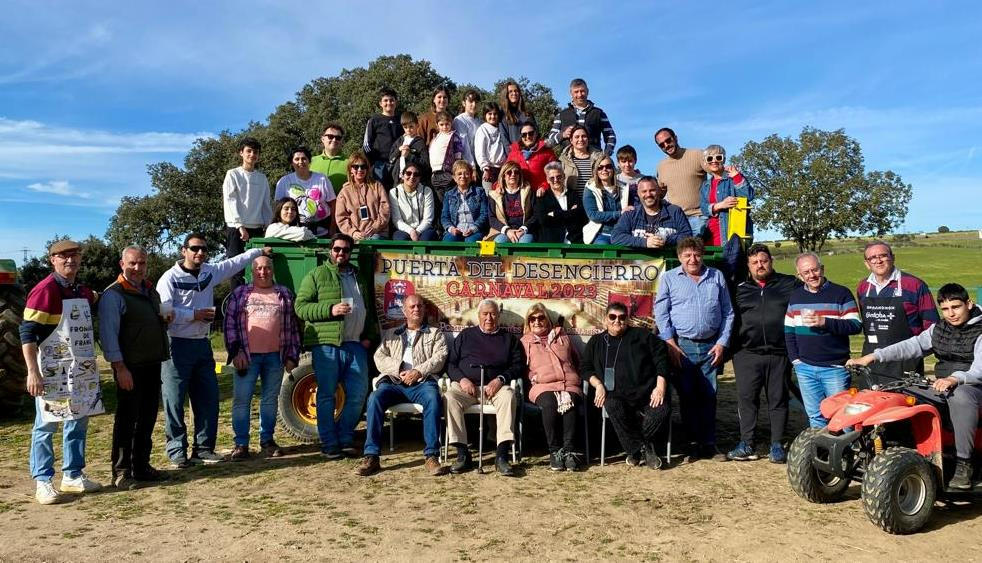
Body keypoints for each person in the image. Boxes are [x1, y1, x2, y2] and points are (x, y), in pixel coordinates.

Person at [848, 284, 982, 489]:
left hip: (972, 385)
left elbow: (978, 370)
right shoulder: (939, 328)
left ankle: (964, 463)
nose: (951, 314)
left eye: (956, 307)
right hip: (943, 383)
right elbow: (913, 345)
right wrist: (873, 357)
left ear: (969, 304)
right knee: (903, 391)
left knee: (961, 397)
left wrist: (955, 378)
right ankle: (903, 448)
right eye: (945, 309)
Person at [157, 234, 270, 468]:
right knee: (175, 401)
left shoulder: (210, 272)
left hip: (203, 344)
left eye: (203, 249)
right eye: (194, 248)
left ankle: (204, 449)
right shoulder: (169, 278)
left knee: (208, 398)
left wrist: (258, 251)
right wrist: (193, 315)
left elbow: (234, 263)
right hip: (176, 344)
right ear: (183, 251)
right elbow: (164, 311)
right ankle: (177, 451)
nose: (199, 253)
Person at [21, 240, 102, 504]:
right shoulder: (44, 291)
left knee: (78, 420)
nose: (70, 260)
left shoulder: (81, 290)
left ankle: (73, 475)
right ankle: (43, 481)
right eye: (64, 256)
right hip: (51, 370)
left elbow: (97, 297)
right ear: (52, 260)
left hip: (79, 369)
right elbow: (28, 333)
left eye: (75, 256)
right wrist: (32, 372)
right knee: (46, 425)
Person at [295, 233, 378, 459]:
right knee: (326, 396)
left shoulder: (358, 276)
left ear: (351, 253)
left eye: (346, 250)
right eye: (337, 249)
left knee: (358, 394)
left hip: (355, 345)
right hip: (327, 344)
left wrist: (369, 336)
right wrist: (330, 309)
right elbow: (300, 307)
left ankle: (345, 438)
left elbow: (368, 309)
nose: (341, 253)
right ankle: (329, 443)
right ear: (330, 251)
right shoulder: (317, 274)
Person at [655, 237, 734, 461]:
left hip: (711, 346)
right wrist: (670, 343)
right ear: (680, 257)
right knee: (687, 396)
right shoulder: (670, 278)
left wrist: (722, 342)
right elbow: (661, 313)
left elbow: (728, 312)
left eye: (697, 254)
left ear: (703, 255)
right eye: (687, 255)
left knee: (709, 395)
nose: (693, 259)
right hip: (683, 347)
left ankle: (709, 443)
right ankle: (692, 445)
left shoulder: (716, 276)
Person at [98, 245, 171, 490]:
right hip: (129, 367)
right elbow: (109, 336)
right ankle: (121, 472)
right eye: (133, 264)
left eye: (142, 264)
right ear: (122, 264)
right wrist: (120, 369)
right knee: (127, 420)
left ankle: (141, 467)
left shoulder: (150, 290)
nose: (138, 268)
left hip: (152, 363)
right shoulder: (114, 295)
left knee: (147, 418)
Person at [357, 295, 449, 476]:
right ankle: (371, 456)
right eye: (412, 306)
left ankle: (431, 456)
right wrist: (398, 369)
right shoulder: (392, 334)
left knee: (433, 398)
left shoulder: (435, 333)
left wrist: (418, 371)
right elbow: (379, 357)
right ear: (404, 311)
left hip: (421, 383)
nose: (416, 309)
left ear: (424, 310)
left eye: (420, 306)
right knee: (374, 398)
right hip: (394, 383)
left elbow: (440, 357)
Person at [224, 255, 300, 461]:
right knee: (242, 400)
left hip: (275, 356)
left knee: (269, 400)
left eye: (267, 268)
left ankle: (267, 440)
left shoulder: (284, 294)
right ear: (252, 271)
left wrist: (292, 355)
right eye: (258, 268)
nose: (263, 272)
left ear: (272, 270)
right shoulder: (241, 294)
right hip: (247, 356)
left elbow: (293, 328)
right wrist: (235, 352)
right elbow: (230, 326)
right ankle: (241, 444)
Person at [728, 244, 799, 463]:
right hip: (747, 353)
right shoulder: (738, 288)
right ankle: (747, 443)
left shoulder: (789, 284)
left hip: (779, 353)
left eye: (764, 260)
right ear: (748, 266)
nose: (760, 265)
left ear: (771, 261)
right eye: (755, 262)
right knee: (747, 399)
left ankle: (776, 444)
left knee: (777, 400)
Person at [582, 302, 671, 469]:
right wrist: (598, 384)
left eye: (622, 317)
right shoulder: (596, 342)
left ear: (627, 319)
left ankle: (635, 451)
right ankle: (645, 449)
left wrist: (660, 385)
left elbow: (662, 358)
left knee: (662, 410)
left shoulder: (642, 336)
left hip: (646, 394)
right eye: (613, 317)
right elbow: (585, 368)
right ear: (605, 320)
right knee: (612, 405)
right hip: (616, 396)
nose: (617, 321)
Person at [445, 299, 525, 476]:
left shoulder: (509, 339)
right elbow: (450, 364)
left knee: (509, 397)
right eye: (485, 314)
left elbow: (518, 366)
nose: (489, 318)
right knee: (450, 397)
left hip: (495, 388)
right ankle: (463, 454)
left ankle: (502, 456)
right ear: (478, 316)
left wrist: (501, 379)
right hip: (468, 388)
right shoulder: (466, 336)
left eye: (493, 314)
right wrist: (463, 380)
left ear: (499, 315)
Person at [785, 252, 862, 428]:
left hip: (834, 368)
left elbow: (855, 325)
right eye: (806, 272)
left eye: (815, 270)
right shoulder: (796, 296)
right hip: (805, 368)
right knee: (815, 417)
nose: (811, 275)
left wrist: (824, 322)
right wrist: (795, 360)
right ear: (800, 276)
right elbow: (789, 330)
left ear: (823, 269)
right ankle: (821, 453)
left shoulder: (841, 293)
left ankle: (846, 454)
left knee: (842, 418)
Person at [855, 241, 939, 386]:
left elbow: (932, 327)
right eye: (872, 258)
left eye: (883, 255)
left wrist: (916, 356)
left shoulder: (914, 285)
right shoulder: (863, 287)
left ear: (893, 258)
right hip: (871, 358)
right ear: (867, 263)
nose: (878, 260)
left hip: (905, 361)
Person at [520, 303, 585, 471]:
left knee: (569, 402)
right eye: (532, 319)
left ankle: (570, 451)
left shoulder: (562, 336)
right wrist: (533, 377)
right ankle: (555, 451)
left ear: (547, 319)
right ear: (528, 322)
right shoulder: (524, 342)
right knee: (549, 403)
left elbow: (577, 360)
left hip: (568, 383)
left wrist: (575, 376)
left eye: (540, 317)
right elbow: (521, 367)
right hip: (542, 385)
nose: (537, 321)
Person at [223, 136, 273, 288]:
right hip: (237, 229)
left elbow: (266, 204)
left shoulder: (262, 178)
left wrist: (268, 227)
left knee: (259, 267)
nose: (252, 155)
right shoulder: (233, 174)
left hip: (257, 228)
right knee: (236, 269)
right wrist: (239, 226)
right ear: (241, 153)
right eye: (249, 151)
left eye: (255, 152)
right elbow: (230, 200)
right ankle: (236, 305)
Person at [611, 176, 691, 248]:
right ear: (638, 194)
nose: (648, 194)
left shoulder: (675, 211)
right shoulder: (630, 214)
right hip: (639, 263)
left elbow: (688, 236)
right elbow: (616, 237)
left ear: (659, 191)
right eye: (644, 191)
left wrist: (665, 239)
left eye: (652, 190)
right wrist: (645, 242)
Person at [275, 146, 337, 238]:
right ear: (292, 163)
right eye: (297, 159)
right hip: (297, 232)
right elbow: (278, 208)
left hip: (324, 230)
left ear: (309, 161)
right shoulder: (284, 181)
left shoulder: (322, 179)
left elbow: (333, 204)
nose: (300, 162)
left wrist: (333, 227)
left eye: (304, 158)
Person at [654, 128, 707, 236]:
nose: (666, 145)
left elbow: (717, 174)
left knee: (690, 248)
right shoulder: (661, 166)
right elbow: (661, 193)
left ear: (675, 138)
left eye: (668, 140)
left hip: (698, 216)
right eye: (661, 145)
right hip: (675, 220)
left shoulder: (697, 154)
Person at [700, 145, 753, 247]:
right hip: (711, 235)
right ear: (706, 162)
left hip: (732, 234)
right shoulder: (706, 185)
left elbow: (748, 196)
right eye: (710, 158)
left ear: (723, 159)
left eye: (718, 157)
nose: (714, 161)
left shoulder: (733, 177)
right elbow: (703, 208)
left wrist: (737, 177)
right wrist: (720, 205)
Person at [548, 78, 616, 155]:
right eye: (576, 92)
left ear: (587, 91)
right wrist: (562, 135)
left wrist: (606, 153)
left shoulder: (599, 113)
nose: (580, 95)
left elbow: (610, 136)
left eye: (582, 91)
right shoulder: (561, 115)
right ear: (571, 93)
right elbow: (550, 139)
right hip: (568, 161)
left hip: (594, 158)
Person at [335, 151, 391, 240]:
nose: (360, 169)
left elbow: (385, 209)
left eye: (363, 166)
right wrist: (352, 232)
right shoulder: (344, 192)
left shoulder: (377, 186)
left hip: (378, 233)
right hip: (355, 236)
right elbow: (341, 217)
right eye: (356, 167)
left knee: (372, 242)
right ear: (351, 170)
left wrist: (376, 226)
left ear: (367, 169)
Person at [582, 155, 629, 245]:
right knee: (605, 254)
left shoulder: (624, 188)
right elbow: (593, 215)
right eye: (600, 167)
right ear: (596, 171)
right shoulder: (590, 188)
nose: (604, 170)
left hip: (620, 233)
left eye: (608, 166)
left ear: (613, 169)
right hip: (600, 234)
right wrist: (619, 214)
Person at [534, 162, 586, 244]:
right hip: (552, 243)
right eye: (552, 178)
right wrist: (570, 213)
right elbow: (543, 220)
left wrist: (556, 214)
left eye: (559, 177)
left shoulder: (573, 194)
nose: (555, 180)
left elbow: (581, 217)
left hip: (575, 241)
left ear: (564, 177)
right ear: (547, 180)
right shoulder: (542, 197)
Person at [487, 161, 535, 244]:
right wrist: (507, 231)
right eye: (509, 172)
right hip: (503, 231)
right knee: (500, 243)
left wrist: (524, 229)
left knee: (526, 243)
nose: (513, 175)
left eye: (516, 172)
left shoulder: (529, 192)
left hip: (524, 231)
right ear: (503, 176)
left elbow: (536, 214)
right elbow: (491, 218)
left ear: (520, 176)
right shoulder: (494, 195)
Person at [441, 160, 489, 242]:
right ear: (454, 178)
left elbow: (484, 214)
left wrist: (473, 229)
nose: (463, 176)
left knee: (471, 243)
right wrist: (451, 228)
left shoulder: (479, 192)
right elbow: (445, 217)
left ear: (470, 176)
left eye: (466, 173)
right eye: (459, 174)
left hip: (475, 230)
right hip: (456, 230)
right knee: (448, 242)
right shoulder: (449, 194)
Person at [363, 87, 401, 189]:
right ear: (380, 103)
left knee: (396, 192)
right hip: (379, 165)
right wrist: (373, 161)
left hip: (397, 163)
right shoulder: (374, 120)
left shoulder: (401, 120)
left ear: (396, 102)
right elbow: (366, 144)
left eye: (392, 100)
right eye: (386, 100)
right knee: (379, 192)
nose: (389, 103)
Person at [389, 163, 438, 241]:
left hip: (424, 228)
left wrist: (417, 232)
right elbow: (397, 219)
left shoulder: (427, 191)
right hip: (403, 229)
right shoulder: (394, 192)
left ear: (419, 178)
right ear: (402, 175)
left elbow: (428, 219)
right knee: (401, 239)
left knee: (427, 238)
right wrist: (411, 231)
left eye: (416, 174)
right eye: (408, 173)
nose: (412, 177)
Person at [506, 121, 556, 190]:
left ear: (536, 134)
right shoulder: (514, 153)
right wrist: (499, 186)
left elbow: (555, 174)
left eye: (531, 133)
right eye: (524, 134)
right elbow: (505, 172)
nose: (528, 136)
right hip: (520, 194)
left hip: (540, 194)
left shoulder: (547, 152)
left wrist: (544, 186)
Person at [558, 125, 604, 200]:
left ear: (588, 139)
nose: (581, 139)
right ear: (571, 140)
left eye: (584, 136)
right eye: (577, 137)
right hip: (572, 204)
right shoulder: (563, 160)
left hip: (595, 202)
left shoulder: (599, 158)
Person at [427, 111, 465, 201]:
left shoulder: (453, 136)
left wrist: (454, 174)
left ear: (451, 123)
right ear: (437, 125)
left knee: (450, 200)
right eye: (442, 124)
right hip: (435, 174)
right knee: (440, 202)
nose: (444, 127)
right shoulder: (435, 138)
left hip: (447, 173)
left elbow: (458, 157)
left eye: (447, 124)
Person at [388, 111, 430, 187]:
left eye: (411, 127)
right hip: (398, 180)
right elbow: (391, 159)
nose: (408, 130)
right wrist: (398, 150)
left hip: (413, 180)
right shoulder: (400, 141)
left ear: (417, 126)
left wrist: (409, 155)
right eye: (405, 127)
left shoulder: (420, 142)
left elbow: (425, 164)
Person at [474, 102, 508, 192]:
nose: (492, 116)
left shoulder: (501, 128)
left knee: (502, 196)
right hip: (489, 169)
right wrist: (485, 167)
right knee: (490, 196)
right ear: (485, 115)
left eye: (495, 114)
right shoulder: (482, 129)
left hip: (502, 169)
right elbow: (479, 151)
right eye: (490, 114)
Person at [310, 122, 349, 196]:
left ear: (342, 141)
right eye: (330, 136)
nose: (334, 140)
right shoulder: (311, 161)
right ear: (322, 139)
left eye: (338, 138)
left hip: (339, 206)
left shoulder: (350, 163)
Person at [499, 79, 537, 147]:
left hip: (531, 153)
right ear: (506, 94)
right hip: (515, 154)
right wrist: (512, 155)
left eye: (516, 91)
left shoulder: (528, 113)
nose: (514, 93)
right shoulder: (502, 114)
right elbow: (504, 139)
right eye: (510, 91)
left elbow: (536, 134)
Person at [453, 89, 483, 168]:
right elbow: (464, 144)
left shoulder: (480, 121)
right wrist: (472, 166)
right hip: (466, 165)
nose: (474, 104)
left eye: (476, 102)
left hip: (480, 164)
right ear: (464, 103)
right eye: (471, 101)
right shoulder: (459, 120)